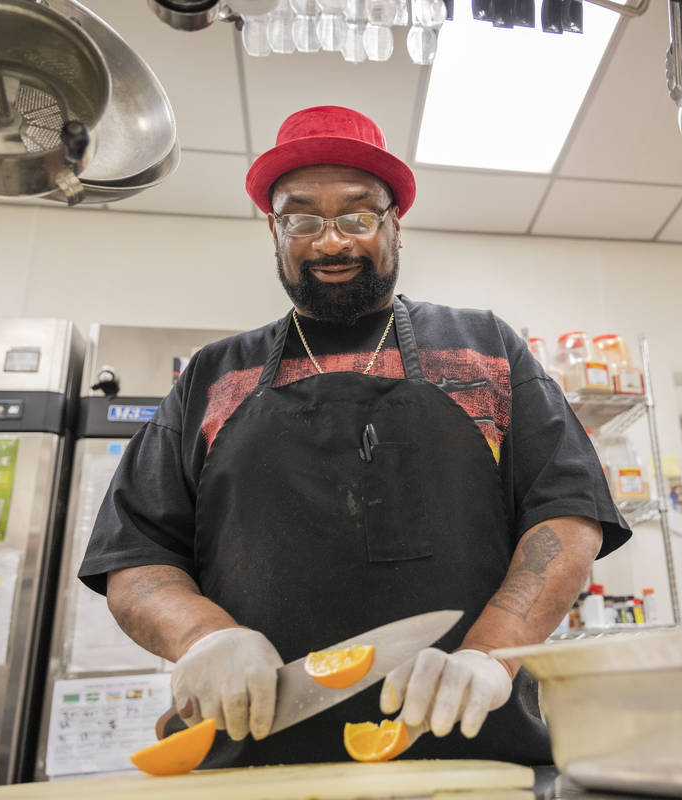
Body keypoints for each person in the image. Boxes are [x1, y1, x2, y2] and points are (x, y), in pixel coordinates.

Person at [78, 105, 630, 766]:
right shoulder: (213, 375)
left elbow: (564, 518)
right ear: (274, 231)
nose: (331, 242)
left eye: (359, 214)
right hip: (251, 769)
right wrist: (202, 636)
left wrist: (492, 652)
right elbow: (134, 556)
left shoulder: (486, 347)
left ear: (396, 224)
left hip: (473, 755)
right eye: (302, 217)